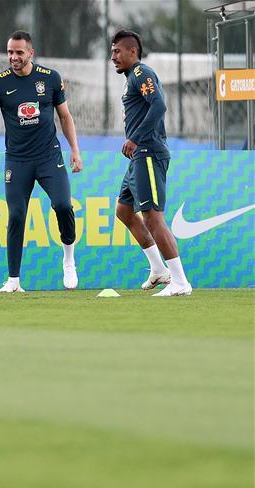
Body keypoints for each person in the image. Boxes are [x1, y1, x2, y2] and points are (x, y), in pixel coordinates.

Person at [0, 31, 83, 293]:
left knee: (62, 205)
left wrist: (75, 150)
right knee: (16, 215)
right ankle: (13, 280)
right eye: (10, 52)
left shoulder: (50, 78)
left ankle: (68, 259)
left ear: (30, 53)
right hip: (17, 160)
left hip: (49, 157)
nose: (14, 57)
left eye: (19, 52)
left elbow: (65, 117)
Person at [110, 30, 191, 296]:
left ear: (133, 52)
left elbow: (158, 105)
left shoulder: (142, 73)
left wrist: (134, 138)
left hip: (148, 152)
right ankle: (158, 269)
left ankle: (180, 282)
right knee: (124, 211)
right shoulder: (131, 78)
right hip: (138, 157)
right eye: (112, 51)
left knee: (153, 217)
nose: (113, 56)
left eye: (117, 51)